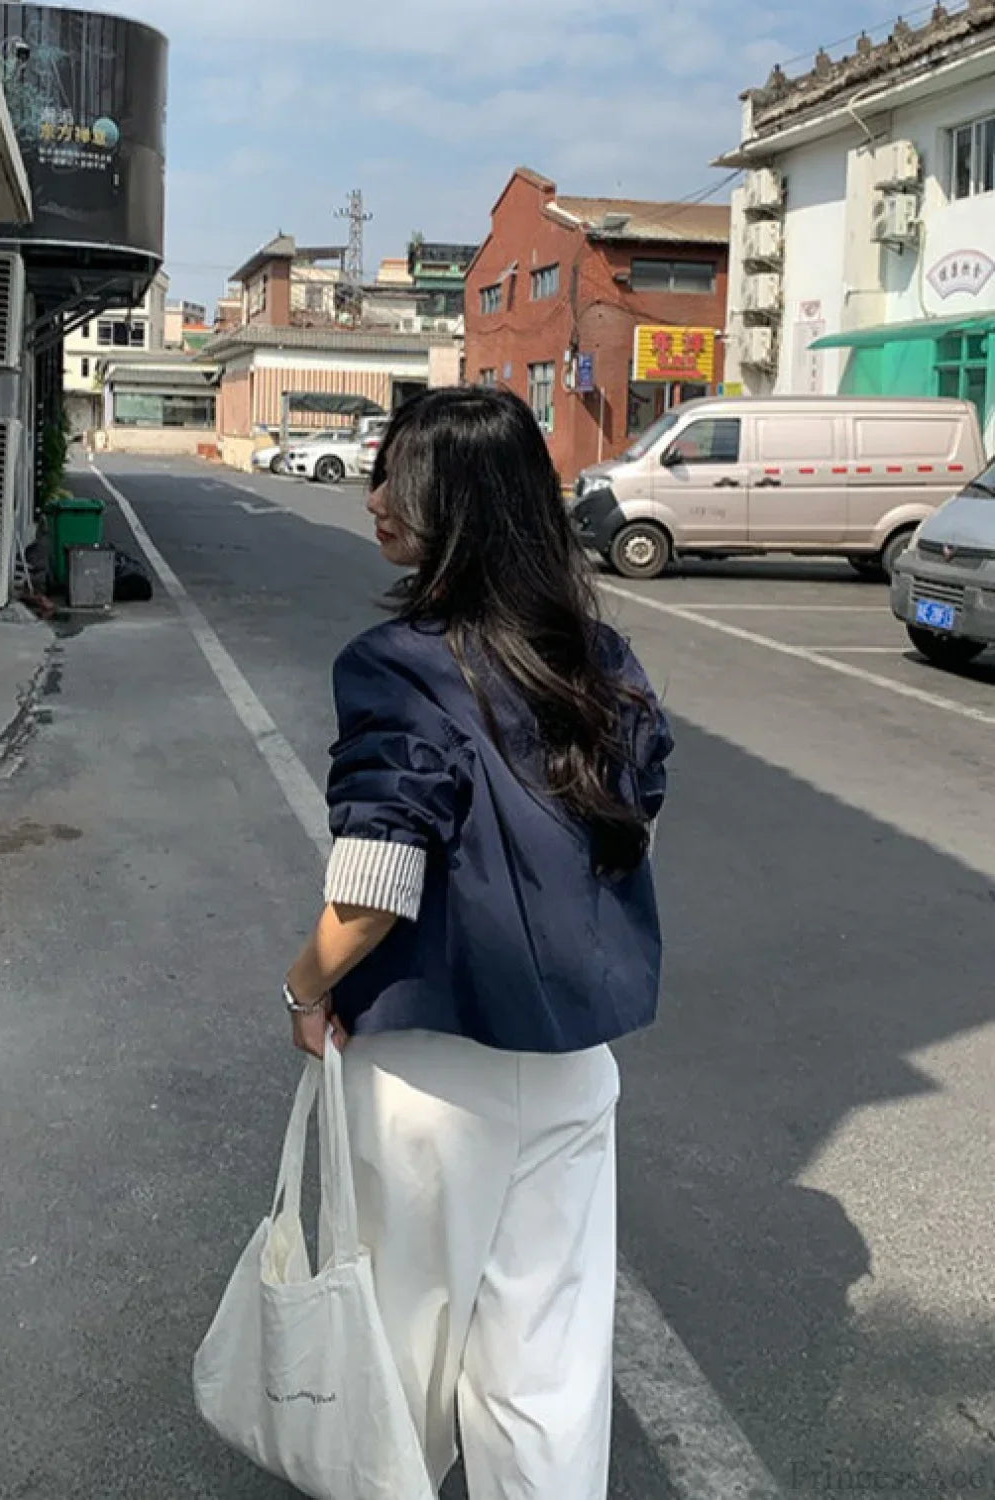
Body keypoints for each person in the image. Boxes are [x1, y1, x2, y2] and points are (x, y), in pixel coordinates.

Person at [284, 387, 673, 1500]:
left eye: (397, 480)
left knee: (400, 1342)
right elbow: (635, 819)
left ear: (457, 506)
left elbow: (376, 881)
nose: (373, 499)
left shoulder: (396, 665)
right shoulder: (597, 656)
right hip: (570, 1062)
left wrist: (303, 991)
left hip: (426, 1064)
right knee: (545, 1354)